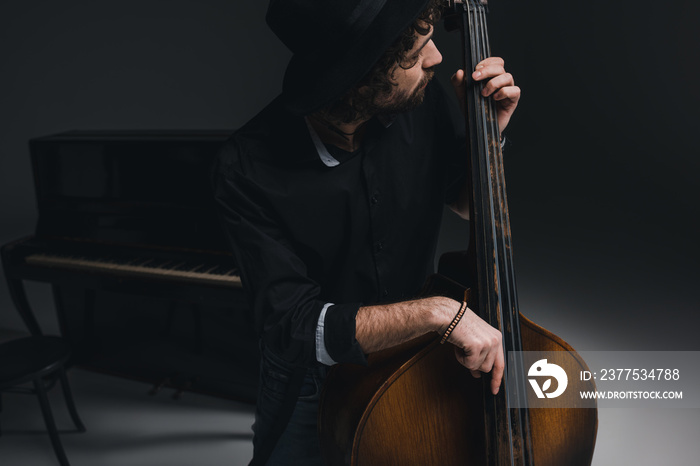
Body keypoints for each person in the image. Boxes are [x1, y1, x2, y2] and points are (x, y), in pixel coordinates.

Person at [211, 0, 521, 464]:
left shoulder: (420, 98)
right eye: (413, 55)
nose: (436, 58)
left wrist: (488, 134)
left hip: (418, 361)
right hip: (313, 383)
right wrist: (438, 312)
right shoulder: (245, 168)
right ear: (359, 81)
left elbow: (460, 201)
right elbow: (292, 328)